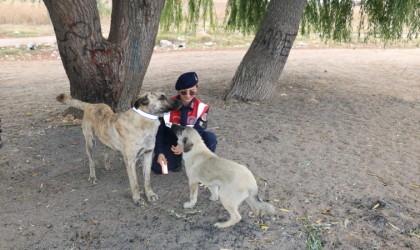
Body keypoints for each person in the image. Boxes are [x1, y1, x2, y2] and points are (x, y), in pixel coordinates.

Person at [151, 72, 217, 174]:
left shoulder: (202, 108)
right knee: (160, 169)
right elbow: (160, 131)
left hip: (189, 143)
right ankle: (177, 160)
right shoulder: (167, 105)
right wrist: (160, 152)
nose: (187, 96)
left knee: (210, 138)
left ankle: (203, 166)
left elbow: (198, 132)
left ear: (197, 89)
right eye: (183, 92)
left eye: (192, 92)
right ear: (178, 91)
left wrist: (183, 147)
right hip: (171, 142)